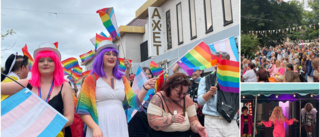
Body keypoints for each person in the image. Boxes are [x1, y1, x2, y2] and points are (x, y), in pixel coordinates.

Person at [76, 40, 156, 137]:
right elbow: (83, 110)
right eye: (108, 54)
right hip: (99, 125)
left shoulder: (122, 79)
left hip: (120, 124)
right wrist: (95, 128)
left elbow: (134, 102)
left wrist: (145, 88)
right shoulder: (91, 79)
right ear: (100, 57)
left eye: (114, 54)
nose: (112, 57)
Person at [1, 43, 75, 136]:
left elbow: (69, 118)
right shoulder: (27, 83)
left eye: (50, 60)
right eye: (41, 60)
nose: (45, 63)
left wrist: (46, 127)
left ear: (56, 63)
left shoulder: (65, 86)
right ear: (37, 64)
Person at [147, 73, 207, 137]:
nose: (181, 96)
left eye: (184, 93)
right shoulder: (158, 98)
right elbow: (152, 122)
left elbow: (193, 120)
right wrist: (171, 119)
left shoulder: (186, 99)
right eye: (178, 93)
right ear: (170, 87)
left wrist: (198, 127)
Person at [198, 52, 239, 137]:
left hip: (230, 119)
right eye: (217, 63)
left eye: (222, 63)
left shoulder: (234, 79)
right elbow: (200, 101)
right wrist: (209, 93)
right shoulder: (205, 80)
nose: (219, 65)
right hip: (212, 120)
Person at [128, 67, 155, 137]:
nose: (148, 76)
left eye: (149, 74)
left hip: (151, 119)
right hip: (138, 121)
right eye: (145, 74)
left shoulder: (154, 89)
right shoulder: (134, 89)